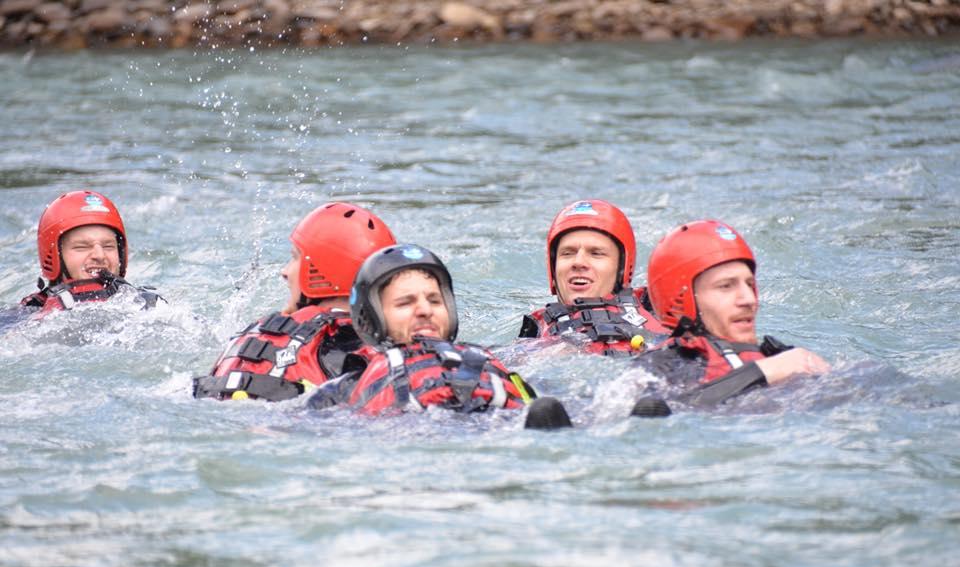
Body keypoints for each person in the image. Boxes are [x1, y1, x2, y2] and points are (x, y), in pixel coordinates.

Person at [193, 202, 396, 401]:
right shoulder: (370, 348)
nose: (285, 271)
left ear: (322, 270)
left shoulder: (264, 329)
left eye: (295, 257)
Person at [308, 244, 541, 417]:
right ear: (369, 318)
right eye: (405, 303)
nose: (425, 310)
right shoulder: (342, 391)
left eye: (435, 301)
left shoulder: (490, 364)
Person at [638, 219, 831, 408]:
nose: (749, 299)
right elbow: (657, 410)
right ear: (680, 300)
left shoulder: (779, 355)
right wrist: (764, 371)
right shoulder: (661, 366)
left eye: (750, 284)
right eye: (726, 286)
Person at [517, 199, 670, 355]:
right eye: (567, 253)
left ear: (622, 268)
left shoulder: (658, 305)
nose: (578, 262)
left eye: (596, 253)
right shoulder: (535, 336)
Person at [19, 190, 161, 314]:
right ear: (54, 254)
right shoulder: (30, 312)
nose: (99, 256)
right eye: (82, 247)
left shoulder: (145, 303)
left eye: (108, 246)